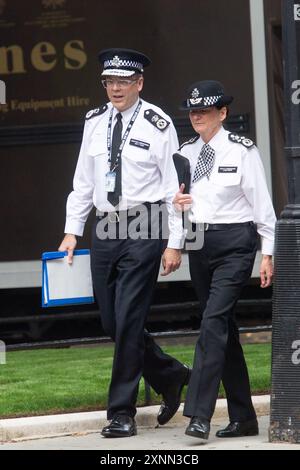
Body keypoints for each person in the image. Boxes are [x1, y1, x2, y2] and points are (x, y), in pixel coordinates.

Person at [58, 48, 191, 438]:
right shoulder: (94, 121)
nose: (114, 88)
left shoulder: (158, 123)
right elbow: (83, 179)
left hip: (144, 224)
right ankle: (171, 374)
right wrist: (71, 229)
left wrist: (175, 242)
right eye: (108, 82)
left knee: (130, 317)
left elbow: (172, 188)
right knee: (112, 321)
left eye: (122, 82)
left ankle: (121, 412)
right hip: (104, 226)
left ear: (139, 83)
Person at [173, 80, 276, 441]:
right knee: (223, 329)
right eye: (193, 110)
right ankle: (244, 416)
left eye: (204, 110)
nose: (197, 115)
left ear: (223, 113)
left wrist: (269, 252)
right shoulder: (184, 152)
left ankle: (199, 414)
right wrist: (176, 236)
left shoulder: (242, 150)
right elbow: (179, 206)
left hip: (235, 241)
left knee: (212, 321)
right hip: (199, 243)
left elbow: (262, 205)